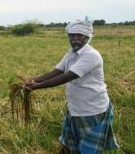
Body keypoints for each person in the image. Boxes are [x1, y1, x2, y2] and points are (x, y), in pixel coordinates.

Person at [19, 19, 119, 153]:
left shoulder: (91, 55)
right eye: (71, 35)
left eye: (78, 35)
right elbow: (56, 72)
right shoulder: (71, 53)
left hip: (92, 108)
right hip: (75, 107)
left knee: (89, 148)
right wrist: (30, 80)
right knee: (72, 144)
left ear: (86, 37)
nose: (74, 39)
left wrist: (35, 87)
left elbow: (66, 77)